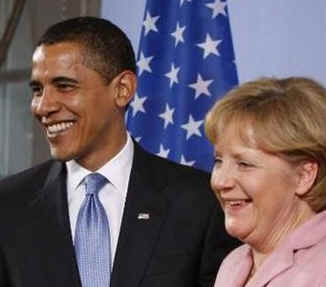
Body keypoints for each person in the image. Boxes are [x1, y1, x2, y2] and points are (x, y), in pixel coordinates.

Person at [0, 17, 238, 287]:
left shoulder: (199, 203)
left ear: (122, 90)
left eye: (64, 86)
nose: (43, 106)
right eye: (37, 90)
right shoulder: (8, 207)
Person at [204, 77, 326, 287]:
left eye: (244, 164)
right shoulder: (232, 264)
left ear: (305, 176)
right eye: (219, 161)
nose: (221, 181)